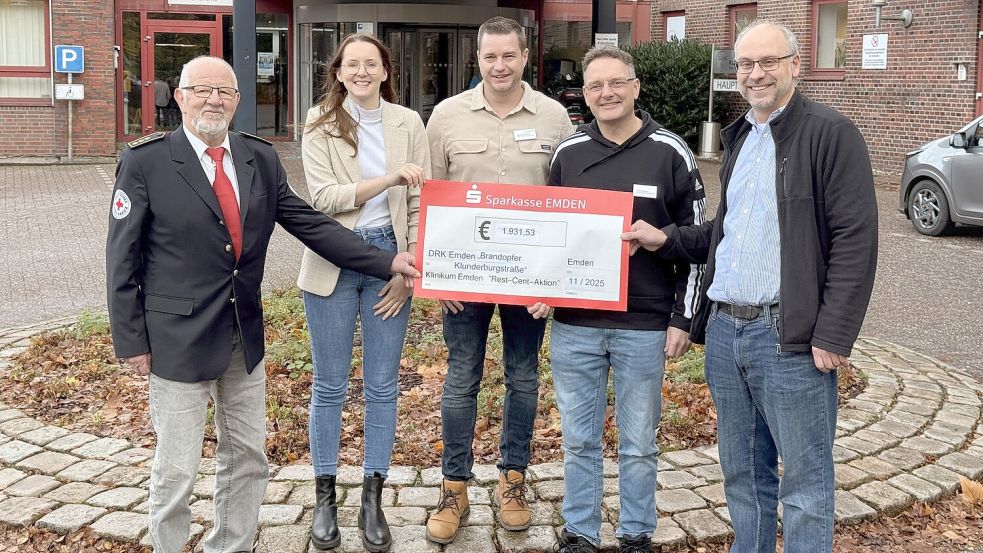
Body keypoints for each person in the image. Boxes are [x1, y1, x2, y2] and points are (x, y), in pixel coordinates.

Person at [105, 55, 420, 553]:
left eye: (225, 92)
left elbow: (310, 225)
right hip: (175, 340)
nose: (214, 100)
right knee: (177, 468)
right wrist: (131, 341)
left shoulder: (259, 158)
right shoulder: (145, 163)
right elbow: (121, 261)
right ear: (180, 97)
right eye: (202, 90)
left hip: (241, 335)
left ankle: (229, 546)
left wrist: (387, 262)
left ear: (237, 101)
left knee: (248, 457)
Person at [621, 20, 878, 553]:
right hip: (724, 333)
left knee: (805, 486)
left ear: (794, 65)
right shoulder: (743, 138)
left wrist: (833, 332)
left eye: (767, 62)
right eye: (745, 64)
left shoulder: (831, 133)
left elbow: (856, 239)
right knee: (742, 477)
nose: (755, 74)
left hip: (789, 337)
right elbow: (729, 233)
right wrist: (664, 239)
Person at [541, 45, 704, 553]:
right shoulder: (567, 155)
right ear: (584, 94)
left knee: (638, 443)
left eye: (616, 83)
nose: (606, 93)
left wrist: (683, 317)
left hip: (645, 323)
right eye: (595, 86)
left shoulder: (670, 151)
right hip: (575, 324)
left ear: (635, 87)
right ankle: (582, 532)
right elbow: (550, 235)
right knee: (579, 439)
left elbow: (698, 241)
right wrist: (542, 289)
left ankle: (636, 533)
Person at [423, 16, 574, 545]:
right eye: (490, 57)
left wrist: (555, 282)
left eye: (509, 56)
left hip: (529, 282)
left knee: (524, 379)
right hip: (463, 278)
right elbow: (427, 199)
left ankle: (513, 479)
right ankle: (455, 486)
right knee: (461, 378)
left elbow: (569, 203)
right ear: (478, 60)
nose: (499, 66)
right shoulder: (444, 117)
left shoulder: (556, 119)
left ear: (525, 56)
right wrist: (435, 272)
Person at [296, 33, 429, 553]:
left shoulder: (408, 123)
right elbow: (326, 199)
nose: (361, 72)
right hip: (333, 259)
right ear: (339, 71)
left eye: (370, 64)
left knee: (381, 386)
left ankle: (373, 495)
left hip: (390, 264)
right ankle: (325, 495)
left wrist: (406, 270)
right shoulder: (320, 122)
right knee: (328, 386)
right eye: (352, 64)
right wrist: (390, 177)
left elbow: (421, 205)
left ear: (384, 70)